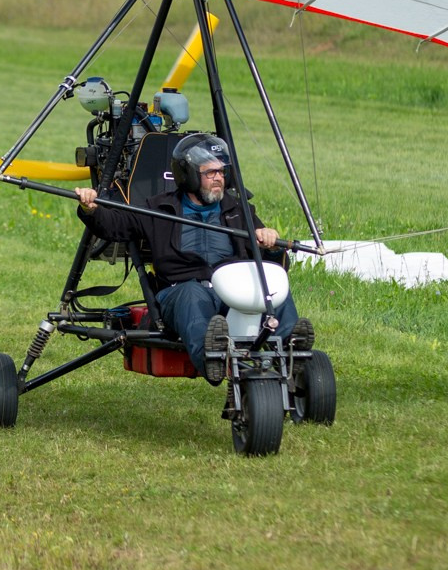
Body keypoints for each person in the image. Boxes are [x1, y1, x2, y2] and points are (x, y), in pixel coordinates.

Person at [76, 133, 309, 384]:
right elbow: (115, 226)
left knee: (273, 289)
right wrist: (91, 209)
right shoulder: (159, 208)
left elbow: (273, 262)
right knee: (192, 295)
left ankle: (293, 351)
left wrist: (271, 243)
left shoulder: (238, 210)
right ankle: (212, 358)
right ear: (187, 175)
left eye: (221, 172)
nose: (218, 178)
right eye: (210, 173)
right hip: (182, 290)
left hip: (231, 289)